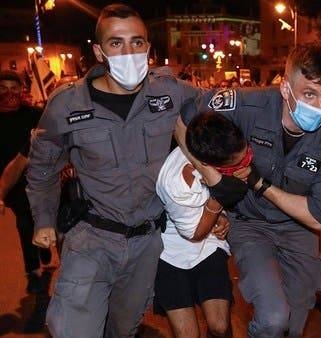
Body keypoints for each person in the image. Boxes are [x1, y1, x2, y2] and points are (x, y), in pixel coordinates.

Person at [26, 4, 199, 337]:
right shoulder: (67, 104)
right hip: (92, 238)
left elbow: (226, 105)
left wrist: (288, 97)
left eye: (137, 42)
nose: (128, 51)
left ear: (148, 47)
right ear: (99, 51)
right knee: (72, 329)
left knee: (122, 329)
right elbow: (43, 167)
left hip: (147, 243)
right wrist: (44, 220)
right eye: (116, 43)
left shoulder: (170, 92)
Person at [175, 43, 321, 338]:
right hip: (250, 225)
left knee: (293, 327)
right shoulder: (247, 105)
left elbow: (319, 216)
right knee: (273, 318)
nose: (320, 107)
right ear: (285, 88)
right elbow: (183, 121)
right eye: (309, 93)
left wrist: (261, 185)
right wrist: (213, 179)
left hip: (299, 230)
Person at [155, 111, 254, 338]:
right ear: (210, 164)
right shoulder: (176, 183)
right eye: (234, 165)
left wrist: (223, 217)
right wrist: (218, 200)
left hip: (209, 247)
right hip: (169, 252)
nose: (242, 167)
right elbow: (195, 233)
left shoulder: (214, 142)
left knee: (220, 326)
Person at [0, 70, 52, 331]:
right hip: (11, 185)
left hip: (36, 181)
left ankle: (34, 272)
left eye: (13, 88)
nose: (9, 93)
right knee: (26, 221)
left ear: (22, 90)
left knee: (26, 223)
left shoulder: (33, 116)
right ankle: (38, 257)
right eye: (3, 88)